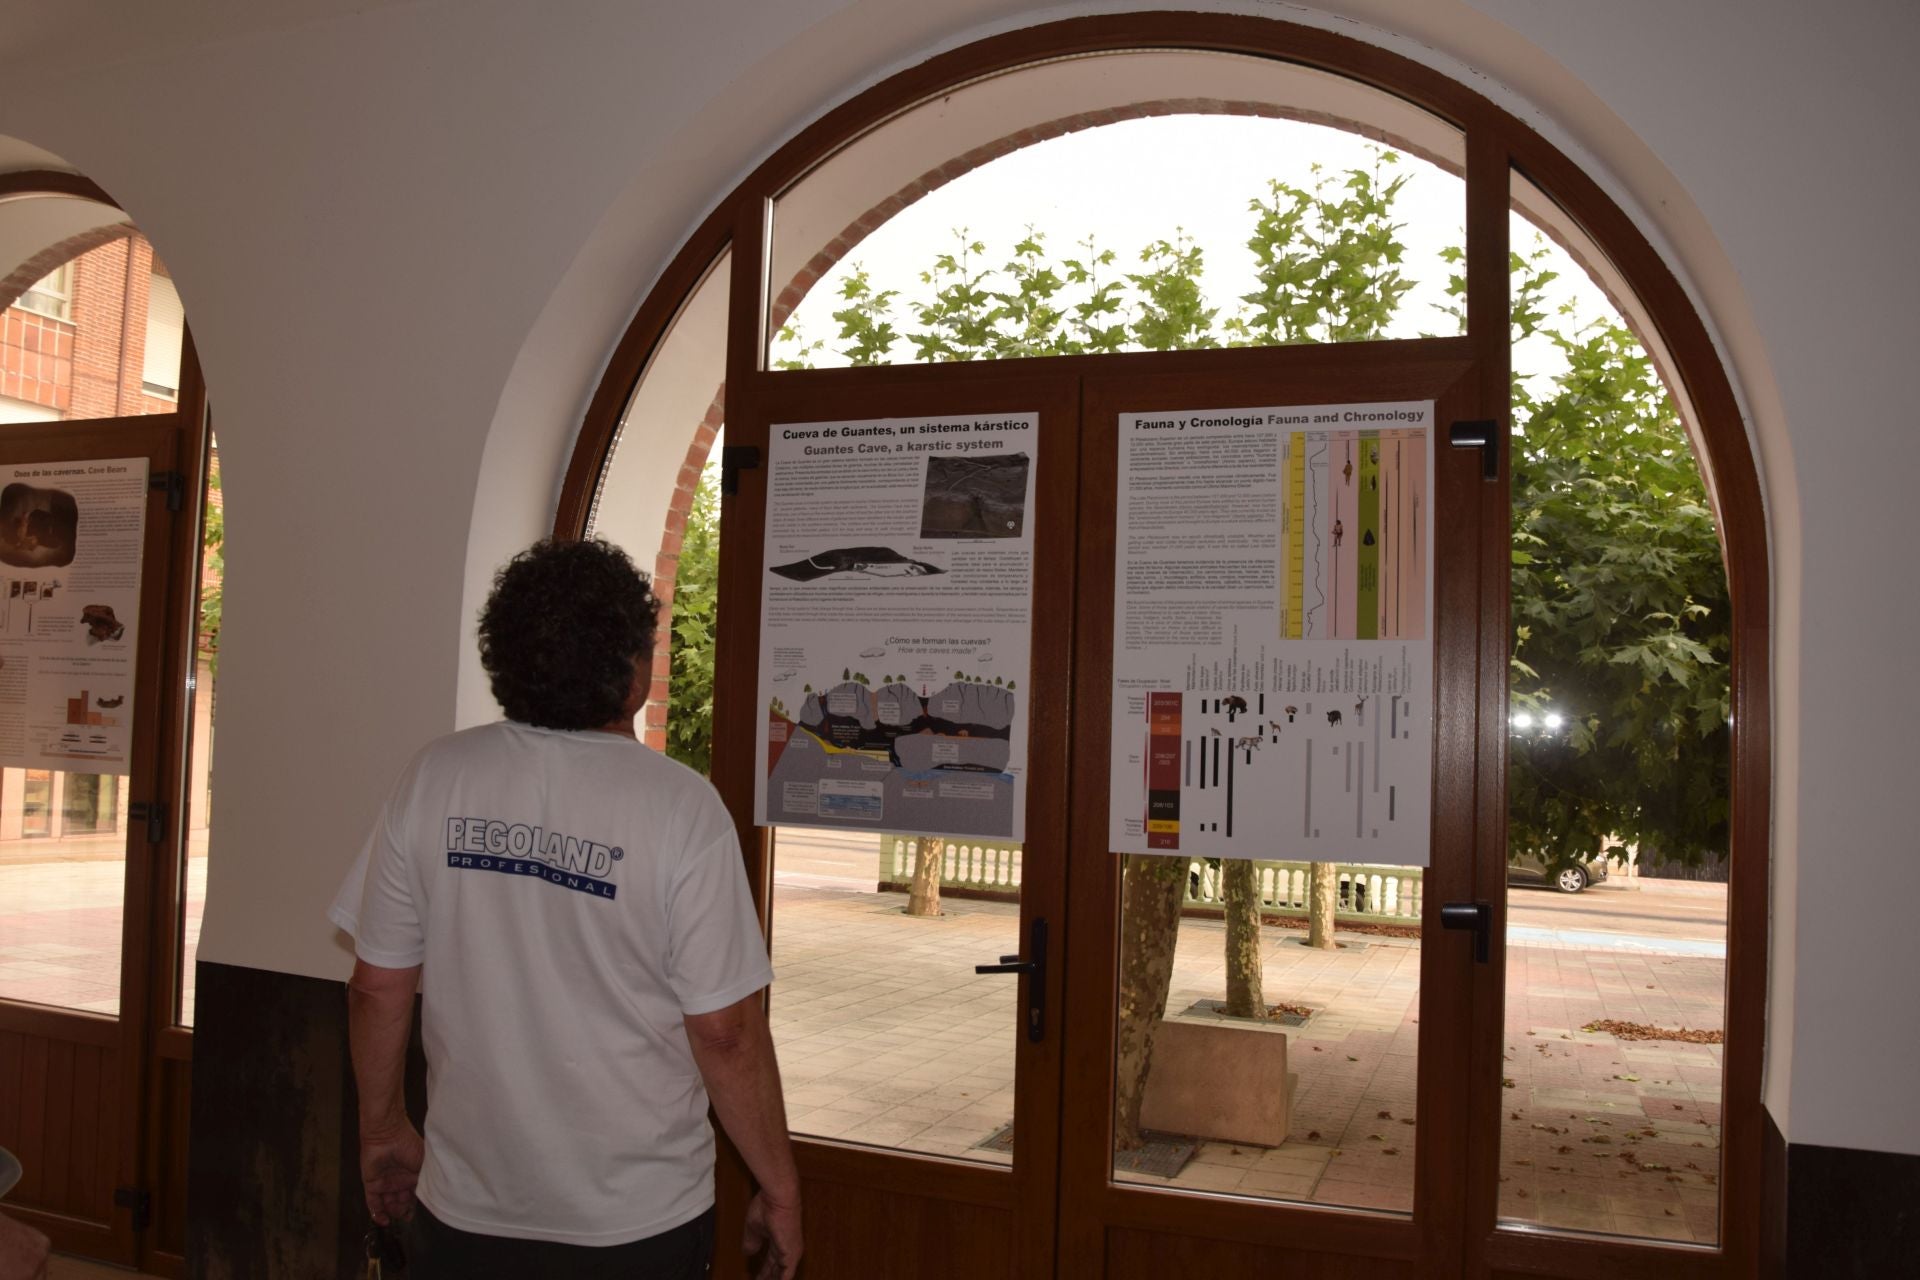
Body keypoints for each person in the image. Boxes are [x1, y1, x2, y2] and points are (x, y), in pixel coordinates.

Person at [330, 538, 801, 1279]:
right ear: (631, 665)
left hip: (467, 1212)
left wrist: (383, 1130)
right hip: (636, 1221)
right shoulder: (679, 808)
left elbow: (376, 987)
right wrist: (778, 1186)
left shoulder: (436, 778)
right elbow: (726, 1034)